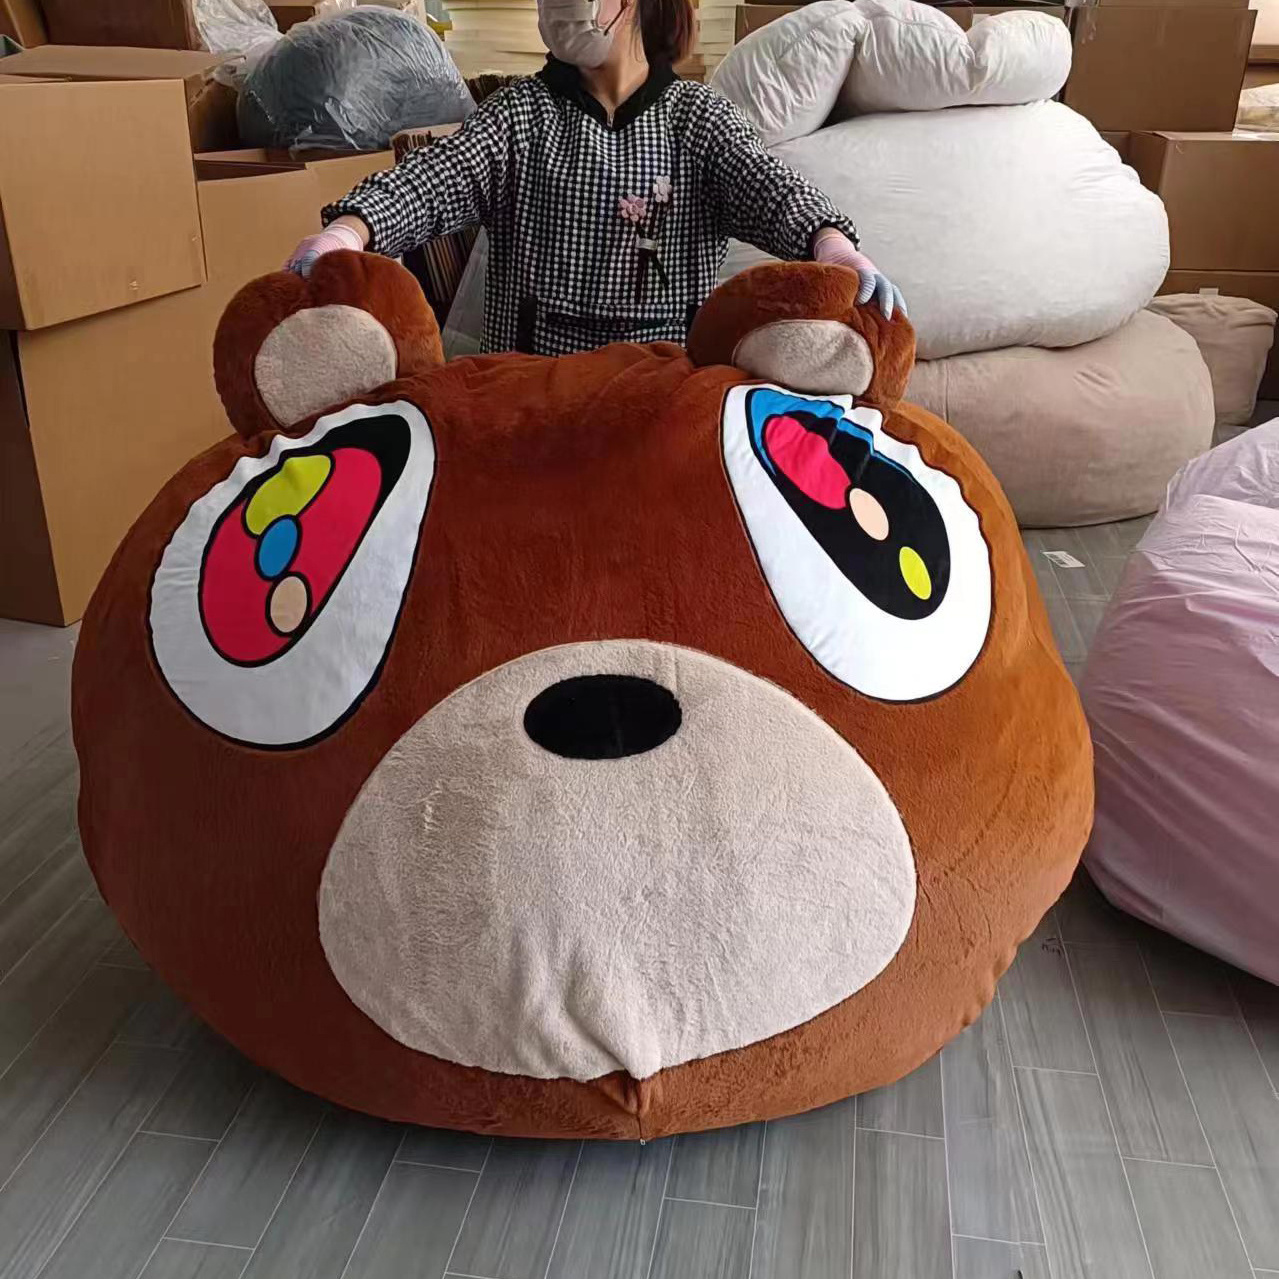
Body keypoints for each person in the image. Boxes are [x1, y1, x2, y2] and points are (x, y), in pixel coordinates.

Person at [286, 0, 905, 357]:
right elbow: (434, 179)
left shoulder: (699, 119)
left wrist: (832, 244)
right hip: (527, 395)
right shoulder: (518, 114)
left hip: (663, 391)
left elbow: (766, 184)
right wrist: (348, 231)